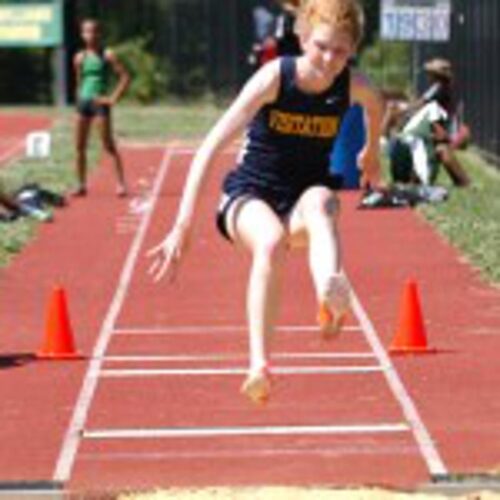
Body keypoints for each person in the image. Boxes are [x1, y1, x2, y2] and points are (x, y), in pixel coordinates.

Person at [149, 0, 383, 405]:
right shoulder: (275, 77)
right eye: (322, 47)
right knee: (271, 243)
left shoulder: (352, 85)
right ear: (302, 38)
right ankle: (260, 365)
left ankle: (330, 293)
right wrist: (183, 224)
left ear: (352, 50)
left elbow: (376, 105)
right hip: (248, 197)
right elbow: (208, 147)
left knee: (325, 201)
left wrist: (372, 150)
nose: (329, 60)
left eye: (341, 51)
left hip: (301, 200)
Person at [73, 18, 130, 197]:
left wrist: (113, 98)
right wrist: (79, 99)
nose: (90, 35)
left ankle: (121, 184)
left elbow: (125, 77)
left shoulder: (108, 54)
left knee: (108, 144)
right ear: (82, 35)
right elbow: (79, 81)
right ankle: (81, 185)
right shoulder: (79, 57)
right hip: (84, 103)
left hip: (100, 104)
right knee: (79, 146)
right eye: (86, 32)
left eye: (94, 31)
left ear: (99, 33)